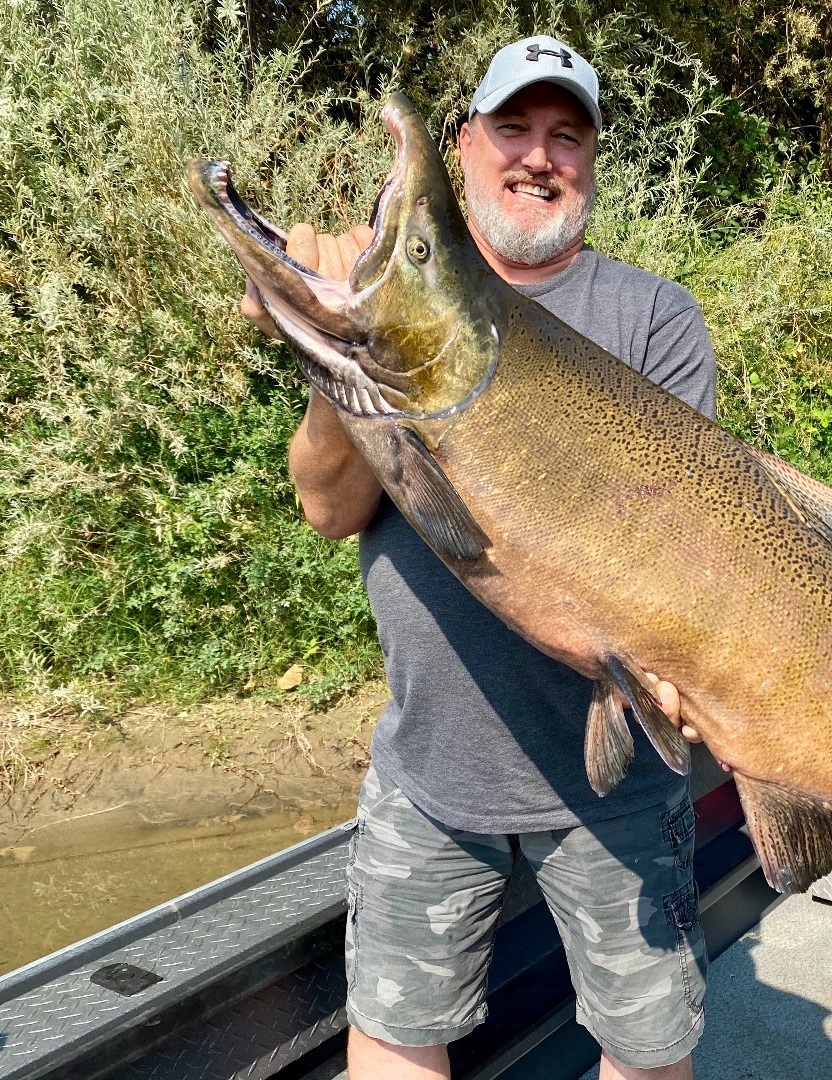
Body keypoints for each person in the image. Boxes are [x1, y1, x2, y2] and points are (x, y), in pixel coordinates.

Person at [241, 35, 719, 1080]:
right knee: (397, 1039)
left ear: (591, 162)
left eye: (566, 136)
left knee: (646, 1054)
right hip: (429, 774)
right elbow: (329, 509)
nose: (538, 157)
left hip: (619, 784)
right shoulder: (403, 314)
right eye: (513, 128)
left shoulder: (652, 319)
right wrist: (345, 350)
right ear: (465, 148)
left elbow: (698, 548)